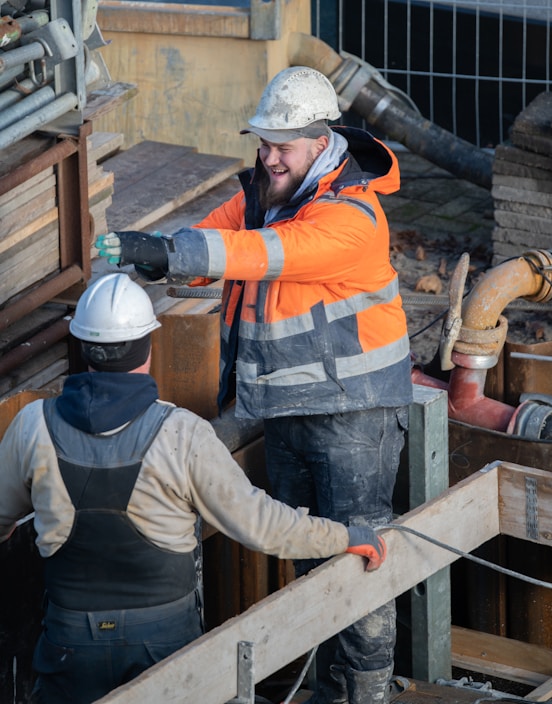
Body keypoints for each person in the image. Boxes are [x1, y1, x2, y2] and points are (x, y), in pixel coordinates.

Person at [95, 65, 413, 704]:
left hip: (355, 416)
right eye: (264, 143)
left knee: (361, 559)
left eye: (283, 147)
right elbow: (213, 239)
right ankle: (329, 688)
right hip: (286, 407)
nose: (269, 157)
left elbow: (263, 253)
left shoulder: (351, 217)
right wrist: (158, 252)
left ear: (321, 142)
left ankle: (369, 692)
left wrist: (170, 253)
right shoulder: (268, 190)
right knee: (311, 559)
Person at [0, 273, 386, 704]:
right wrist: (344, 537)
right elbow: (261, 526)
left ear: (84, 346)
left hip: (71, 643)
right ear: (148, 346)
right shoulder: (182, 433)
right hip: (163, 644)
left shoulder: (32, 425)